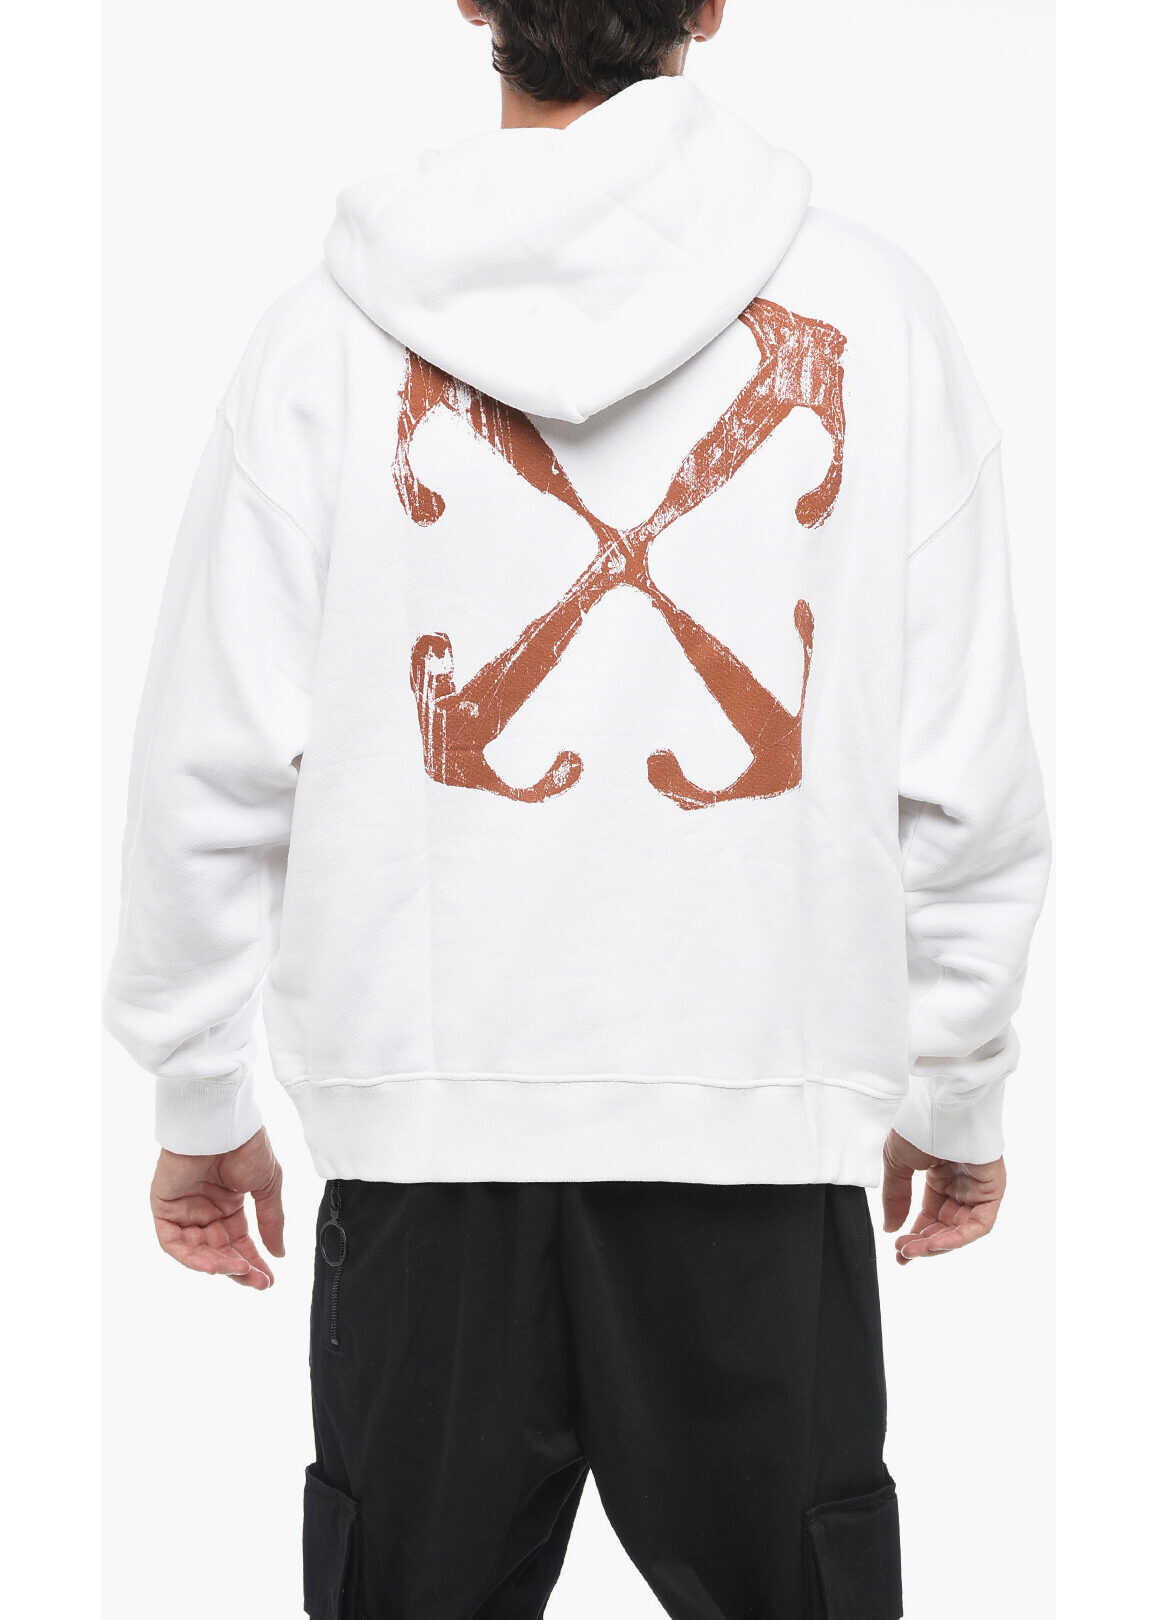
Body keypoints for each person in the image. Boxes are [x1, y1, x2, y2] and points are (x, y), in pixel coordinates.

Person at [106, 2, 1050, 1614]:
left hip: (424, 1149)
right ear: (709, 5)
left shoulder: (323, 339)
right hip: (756, 1143)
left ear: (472, 1)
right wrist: (954, 1088)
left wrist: (199, 1100)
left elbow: (208, 761)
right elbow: (963, 773)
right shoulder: (877, 317)